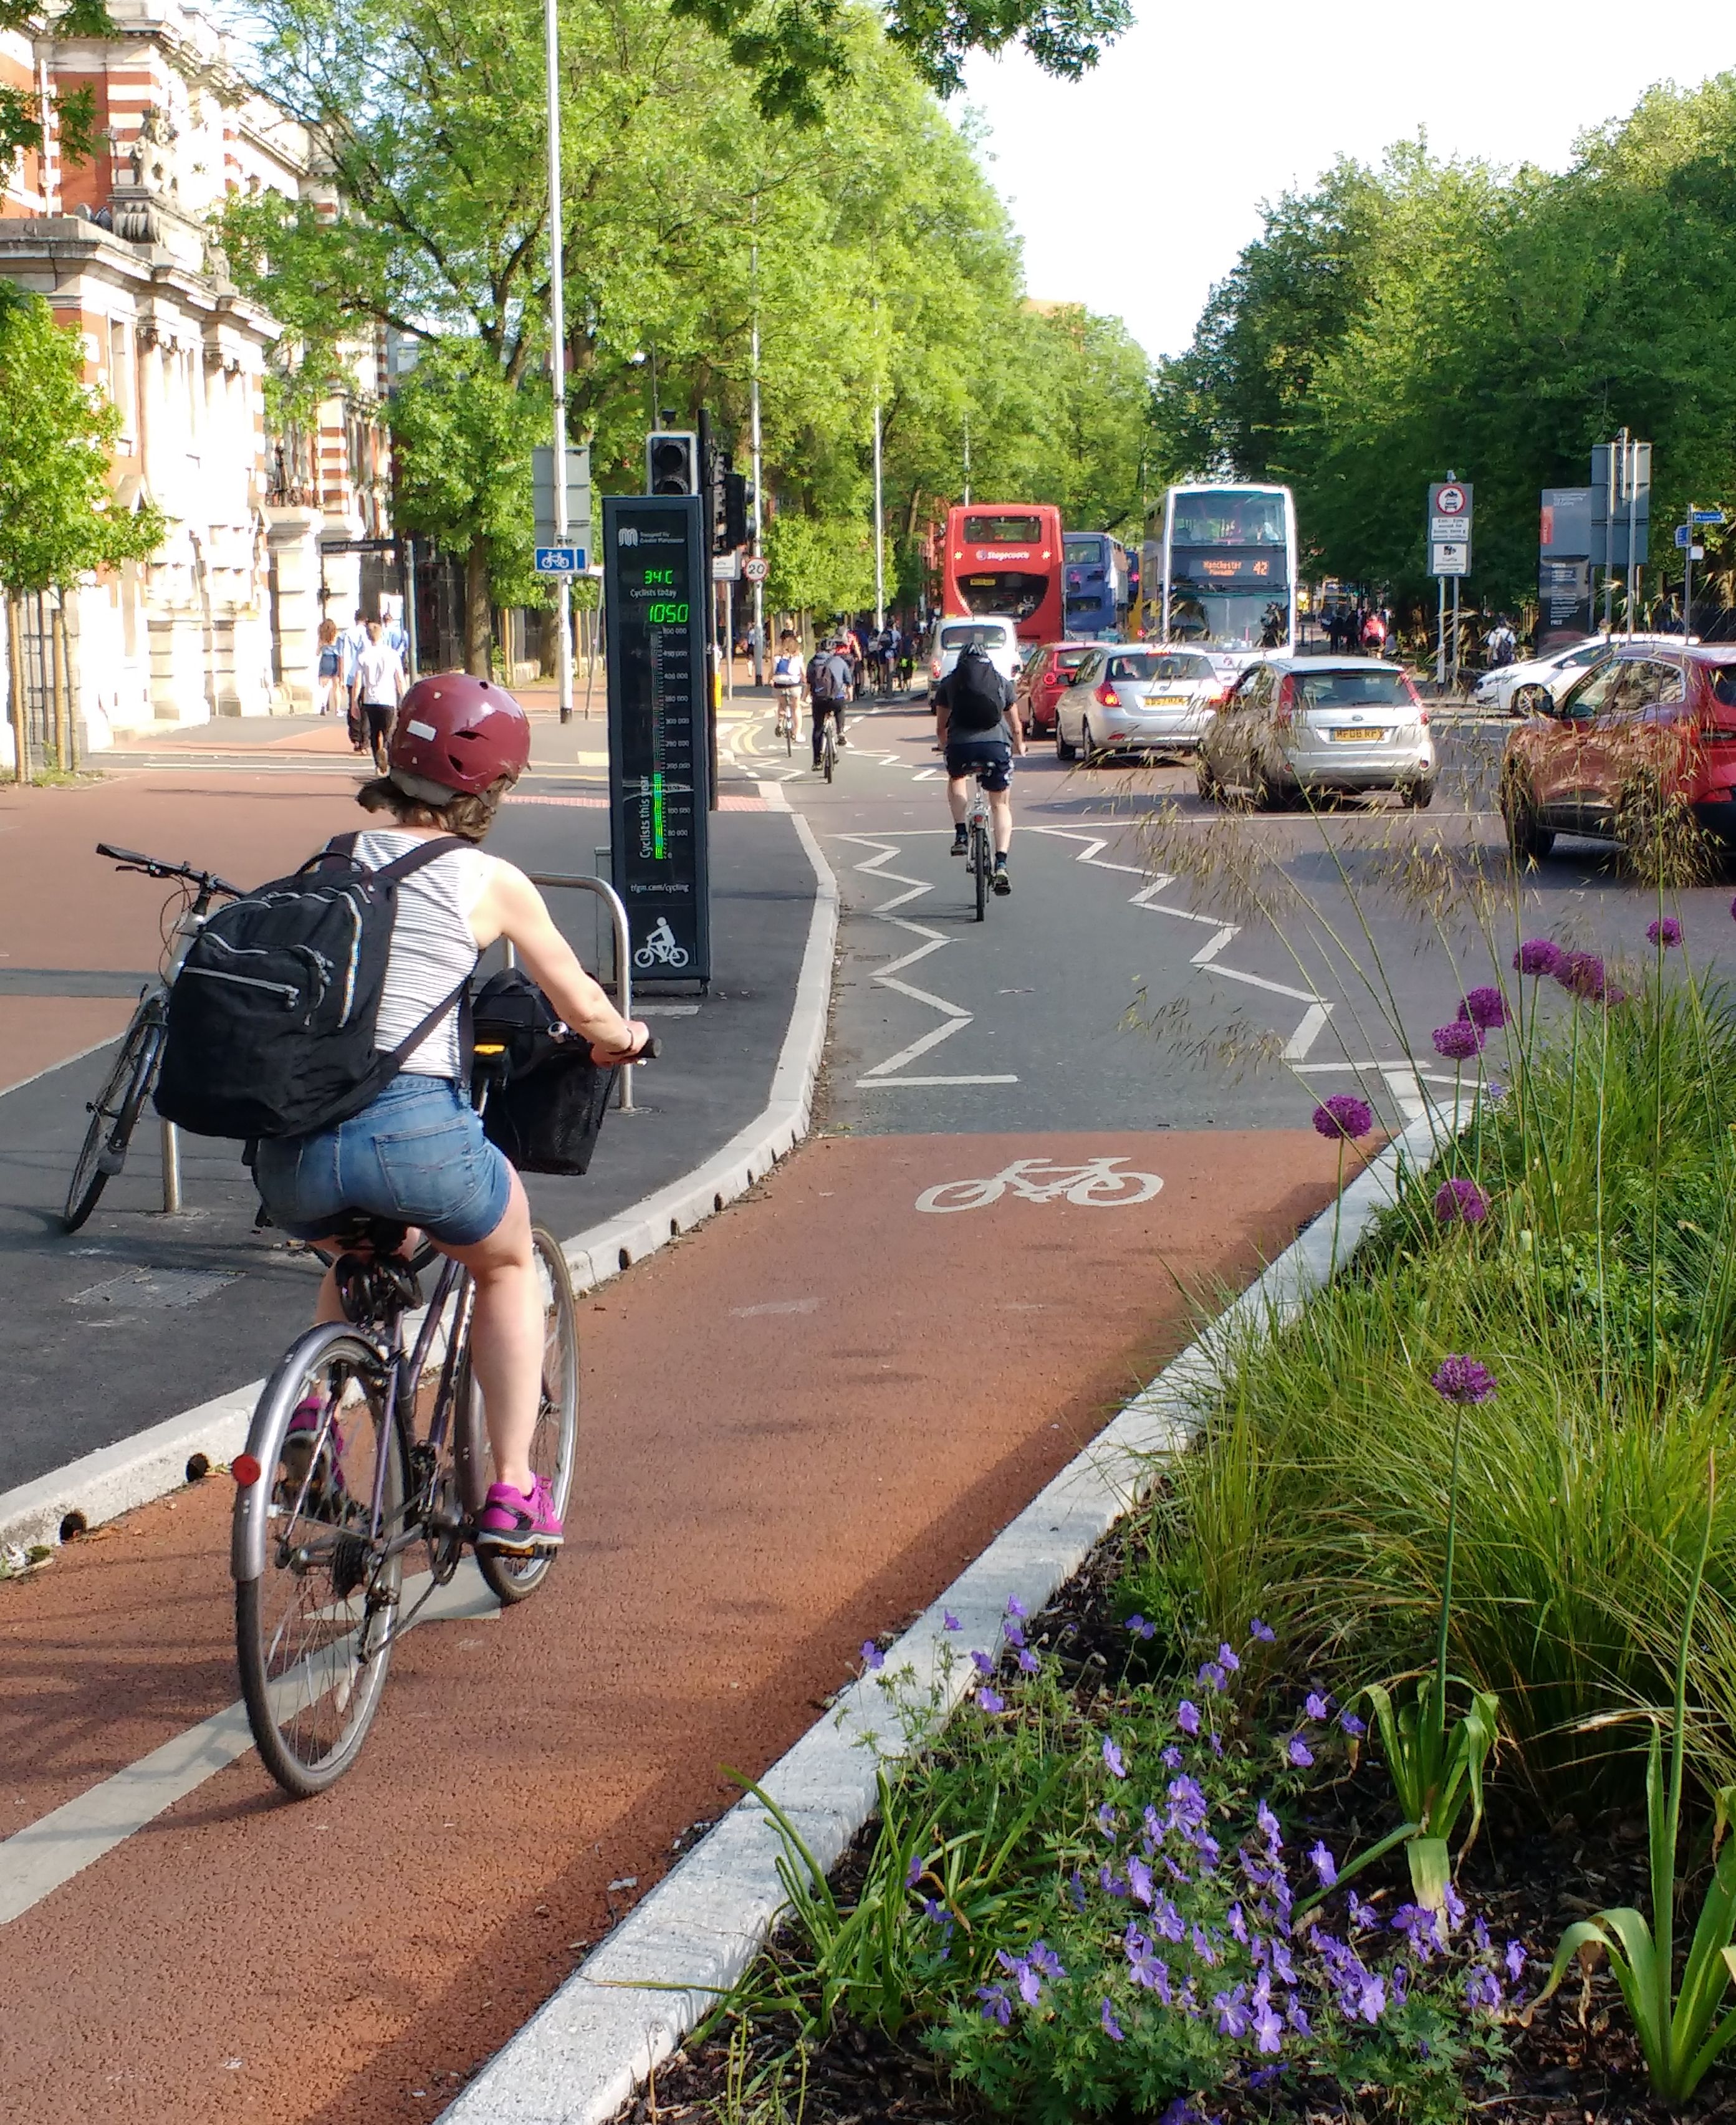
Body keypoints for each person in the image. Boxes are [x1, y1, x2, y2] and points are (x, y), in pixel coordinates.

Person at [252, 674, 651, 1552]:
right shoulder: (488, 879)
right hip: (410, 1134)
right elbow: (582, 1006)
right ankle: (511, 1491)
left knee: (367, 1248)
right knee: (507, 1260)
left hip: (289, 1154)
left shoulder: (328, 860)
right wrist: (623, 1037)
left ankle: (310, 1419)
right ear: (491, 788)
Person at [933, 643, 1024, 895]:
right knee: (1001, 805)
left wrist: (944, 746)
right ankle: (1002, 864)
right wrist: (1020, 746)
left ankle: (961, 834)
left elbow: (941, 728)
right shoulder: (1001, 681)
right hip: (996, 747)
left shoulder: (950, 683)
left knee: (957, 778)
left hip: (961, 746)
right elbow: (1016, 725)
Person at [351, 617, 406, 772]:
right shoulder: (392, 654)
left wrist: (354, 702)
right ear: (381, 635)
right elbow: (399, 679)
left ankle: (378, 764)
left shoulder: (363, 656)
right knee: (389, 733)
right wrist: (404, 697)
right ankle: (389, 761)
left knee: (375, 733)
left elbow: (358, 681)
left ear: (368, 636)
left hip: (370, 699)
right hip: (388, 699)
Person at [806, 638, 853, 768]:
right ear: (833, 650)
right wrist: (849, 695)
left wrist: (807, 697)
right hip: (836, 698)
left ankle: (817, 760)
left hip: (819, 699)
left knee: (818, 729)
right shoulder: (840, 661)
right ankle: (840, 731)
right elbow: (848, 681)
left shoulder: (812, 662)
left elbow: (809, 682)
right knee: (840, 708)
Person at [771, 628, 805, 742]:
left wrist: (770, 681)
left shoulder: (777, 657)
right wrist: (805, 681)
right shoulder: (798, 657)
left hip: (779, 685)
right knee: (796, 707)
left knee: (781, 704)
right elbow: (803, 673)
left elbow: (772, 673)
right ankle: (797, 733)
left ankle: (780, 723)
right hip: (794, 685)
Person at [315, 618, 343, 717]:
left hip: (325, 659)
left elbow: (317, 652)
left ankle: (323, 705)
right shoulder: (337, 636)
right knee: (336, 687)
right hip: (335, 659)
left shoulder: (321, 637)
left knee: (323, 686)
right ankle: (338, 710)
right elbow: (340, 651)